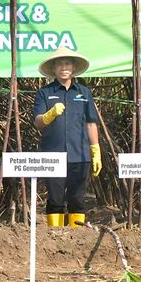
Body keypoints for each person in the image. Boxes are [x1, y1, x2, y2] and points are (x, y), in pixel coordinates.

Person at [34, 48, 101, 227]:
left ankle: (76, 239)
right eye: (60, 63)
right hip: (52, 155)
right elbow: (38, 122)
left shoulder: (84, 92)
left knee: (77, 199)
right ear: (54, 68)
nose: (64, 67)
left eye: (67, 63)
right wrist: (49, 115)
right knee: (55, 200)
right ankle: (54, 236)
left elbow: (91, 123)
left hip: (80, 154)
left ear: (73, 67)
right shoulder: (44, 93)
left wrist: (95, 150)